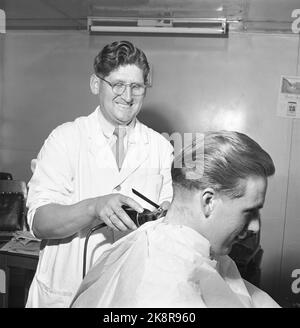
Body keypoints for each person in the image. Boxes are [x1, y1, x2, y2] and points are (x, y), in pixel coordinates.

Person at [25, 40, 173, 307]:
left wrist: (168, 219)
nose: (127, 96)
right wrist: (94, 207)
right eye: (117, 84)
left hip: (126, 297)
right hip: (66, 293)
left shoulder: (160, 147)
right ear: (96, 84)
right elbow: (39, 222)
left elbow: (166, 219)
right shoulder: (66, 139)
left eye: (136, 86)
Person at [70, 131, 280, 308]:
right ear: (208, 202)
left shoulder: (192, 247)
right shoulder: (161, 284)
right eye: (249, 211)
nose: (255, 226)